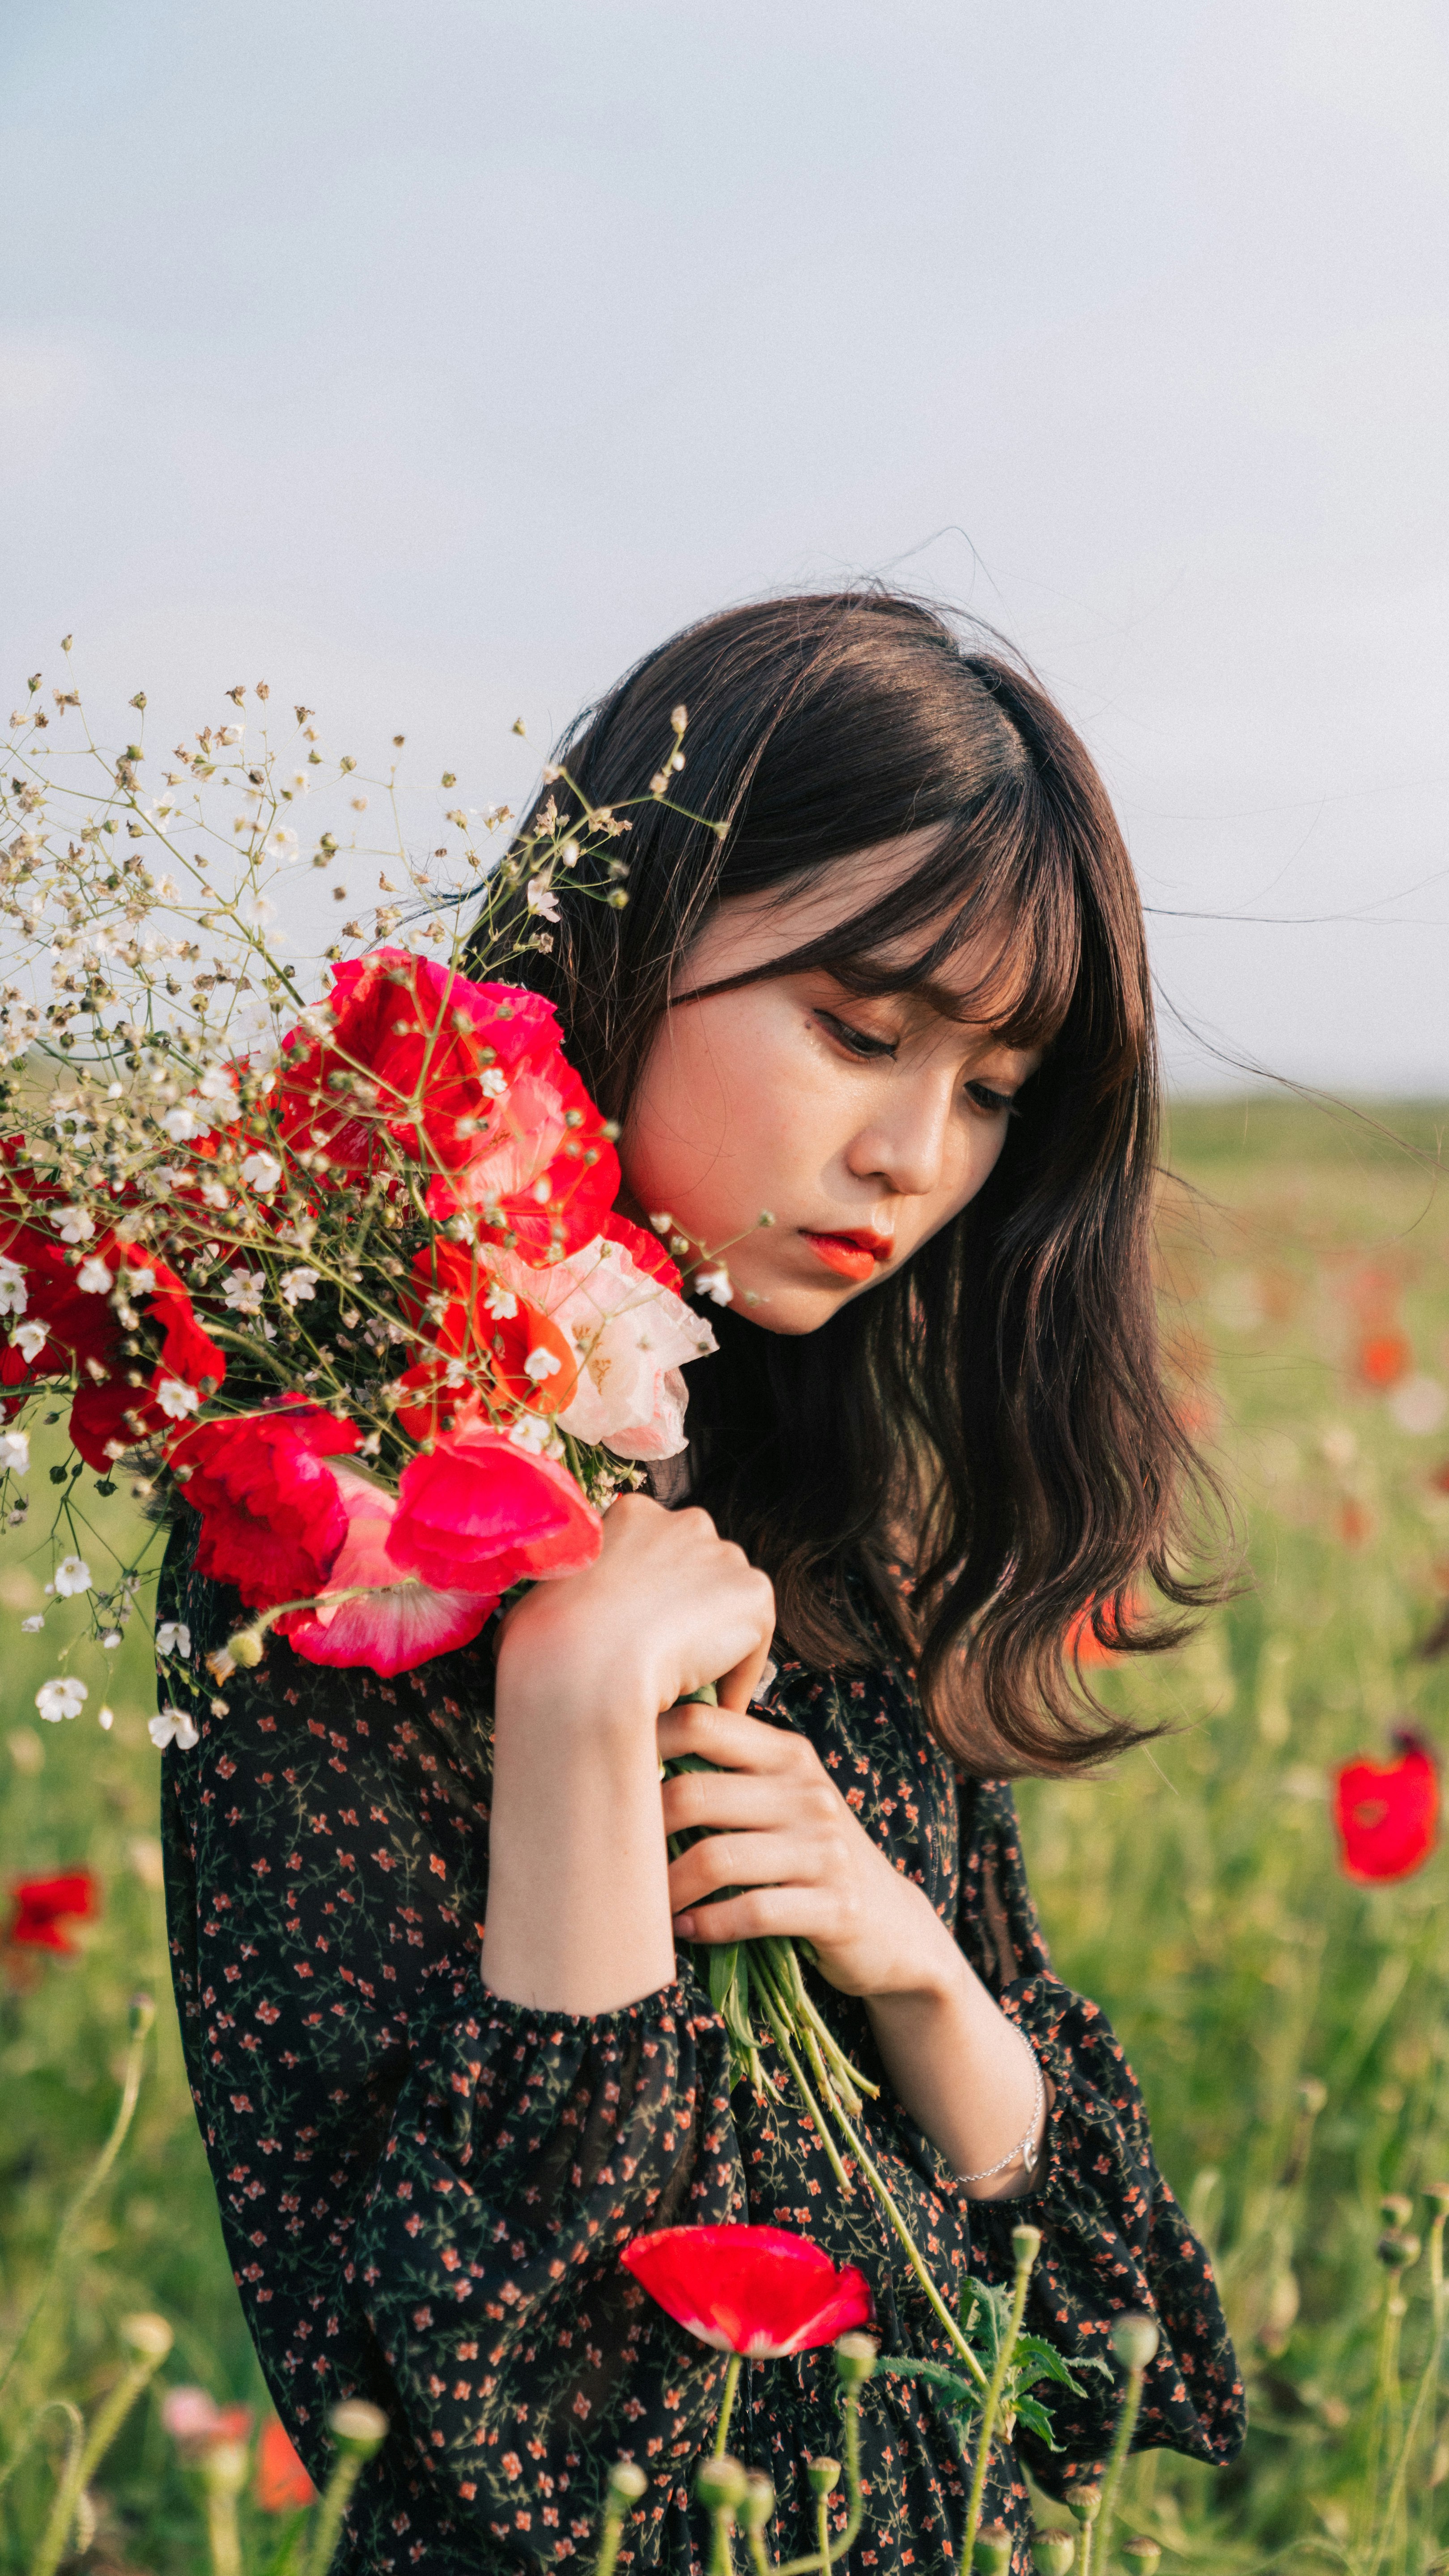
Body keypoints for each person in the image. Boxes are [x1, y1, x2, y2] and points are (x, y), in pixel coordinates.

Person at [160, 590, 1245, 2573]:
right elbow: (515, 2448)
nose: (919, 1154)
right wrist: (575, 1704)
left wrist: (910, 1957)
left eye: (996, 1085)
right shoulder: (330, 1537)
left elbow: (1103, 2362)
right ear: (623, 938)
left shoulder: (827, 1504)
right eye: (860, 1031)